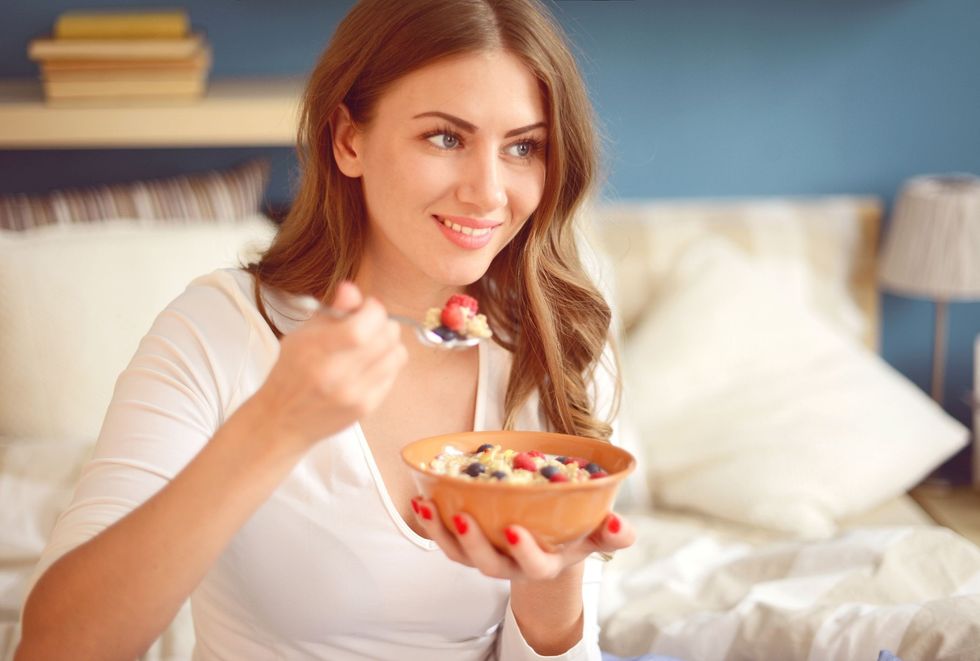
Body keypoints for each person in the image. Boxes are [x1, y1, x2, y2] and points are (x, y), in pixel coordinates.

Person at [16, 0, 635, 658]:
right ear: (348, 140)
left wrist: (555, 574)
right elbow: (55, 646)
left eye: (522, 147)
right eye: (446, 137)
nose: (488, 192)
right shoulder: (223, 329)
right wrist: (276, 423)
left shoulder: (553, 345)